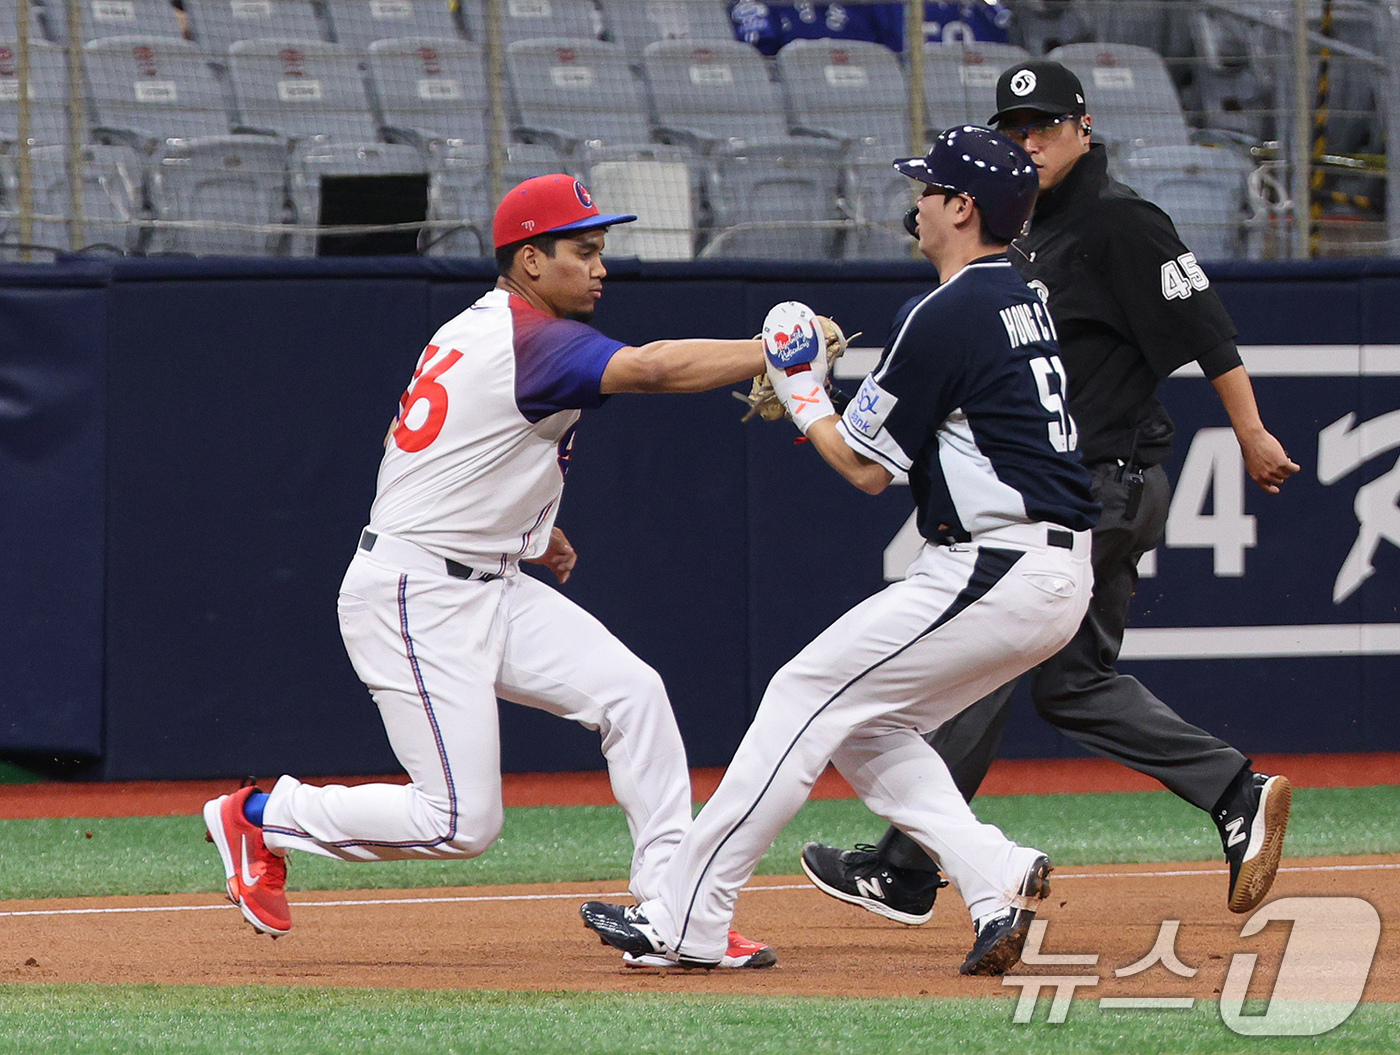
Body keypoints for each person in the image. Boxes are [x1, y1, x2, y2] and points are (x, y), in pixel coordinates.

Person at [201, 173, 777, 969]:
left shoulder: (484, 327)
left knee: (632, 693)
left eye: (601, 249)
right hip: (416, 596)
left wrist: (529, 527)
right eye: (584, 250)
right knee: (461, 823)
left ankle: (675, 910)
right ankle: (263, 814)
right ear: (531, 260)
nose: (600, 266)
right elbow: (650, 370)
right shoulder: (533, 338)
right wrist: (772, 352)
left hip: (487, 578)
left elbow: (438, 450)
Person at [580, 126, 1099, 976]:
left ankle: (685, 914)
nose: (917, 202)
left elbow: (862, 467)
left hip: (999, 561)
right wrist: (814, 394)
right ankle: (992, 875)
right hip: (1037, 565)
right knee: (865, 724)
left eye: (930, 189)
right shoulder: (1017, 292)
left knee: (803, 692)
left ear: (962, 209)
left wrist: (802, 387)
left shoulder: (950, 307)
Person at [801, 59, 1301, 928]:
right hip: (1086, 489)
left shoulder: (1121, 221)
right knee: (1070, 684)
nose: (1030, 142)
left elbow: (1208, 334)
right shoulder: (1018, 227)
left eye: (1045, 127)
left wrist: (1253, 433)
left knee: (980, 658)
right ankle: (1233, 789)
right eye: (1015, 129)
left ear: (1084, 127)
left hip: (1102, 485)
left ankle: (906, 864)